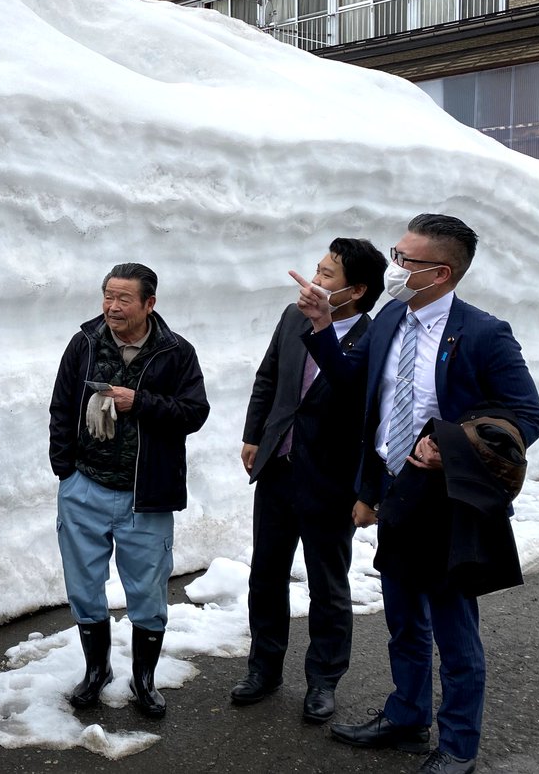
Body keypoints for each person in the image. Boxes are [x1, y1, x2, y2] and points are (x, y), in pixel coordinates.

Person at [291, 214, 539, 774]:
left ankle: (459, 747)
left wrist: (453, 447)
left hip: (449, 498)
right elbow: (353, 383)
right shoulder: (390, 316)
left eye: (405, 260)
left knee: (454, 630)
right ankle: (407, 716)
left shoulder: (484, 334)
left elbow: (528, 416)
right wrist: (322, 325)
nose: (395, 268)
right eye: (396, 254)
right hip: (395, 490)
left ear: (441, 273)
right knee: (404, 619)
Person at [234, 238, 387, 724]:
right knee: (266, 575)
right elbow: (268, 377)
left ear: (356, 290)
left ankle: (323, 680)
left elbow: (359, 401)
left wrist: (367, 489)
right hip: (278, 468)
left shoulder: (373, 338)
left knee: (327, 585)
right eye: (316, 270)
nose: (314, 281)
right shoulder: (291, 317)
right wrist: (255, 434)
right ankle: (263, 669)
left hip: (330, 480)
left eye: (327, 276)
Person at [48, 263, 209, 718]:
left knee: (148, 591)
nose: (112, 307)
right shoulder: (84, 343)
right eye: (107, 296)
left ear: (149, 304)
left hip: (146, 495)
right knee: (83, 587)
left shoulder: (176, 352)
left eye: (123, 299)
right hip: (85, 487)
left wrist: (138, 402)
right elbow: (61, 407)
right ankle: (96, 670)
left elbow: (194, 412)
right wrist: (65, 471)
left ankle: (144, 678)